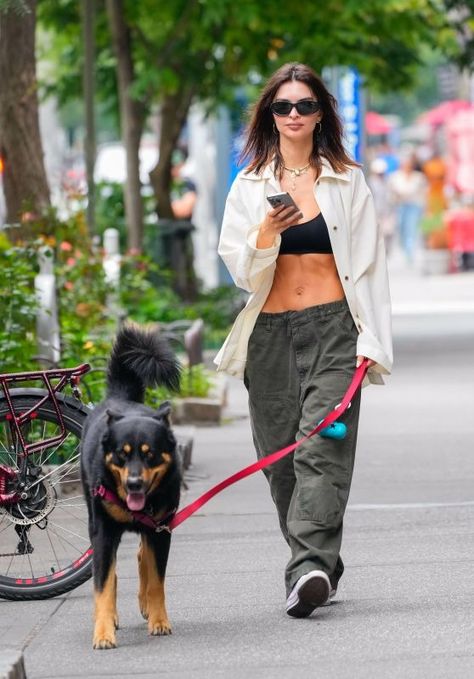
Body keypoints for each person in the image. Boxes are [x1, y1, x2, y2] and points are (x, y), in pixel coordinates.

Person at [215, 62, 393, 618]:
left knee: (323, 446)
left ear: (322, 114)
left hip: (335, 331)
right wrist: (265, 235)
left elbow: (370, 268)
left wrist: (373, 341)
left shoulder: (347, 180)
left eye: (305, 105)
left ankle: (308, 567)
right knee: (280, 460)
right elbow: (241, 273)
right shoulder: (249, 185)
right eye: (283, 106)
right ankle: (315, 566)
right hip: (268, 336)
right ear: (270, 114)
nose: (294, 115)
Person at [388, 152, 427, 264]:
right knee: (401, 228)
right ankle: (404, 247)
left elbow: (423, 192)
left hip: (414, 206)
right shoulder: (395, 177)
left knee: (411, 228)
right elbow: (391, 193)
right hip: (400, 206)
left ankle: (409, 252)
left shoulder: (418, 177)